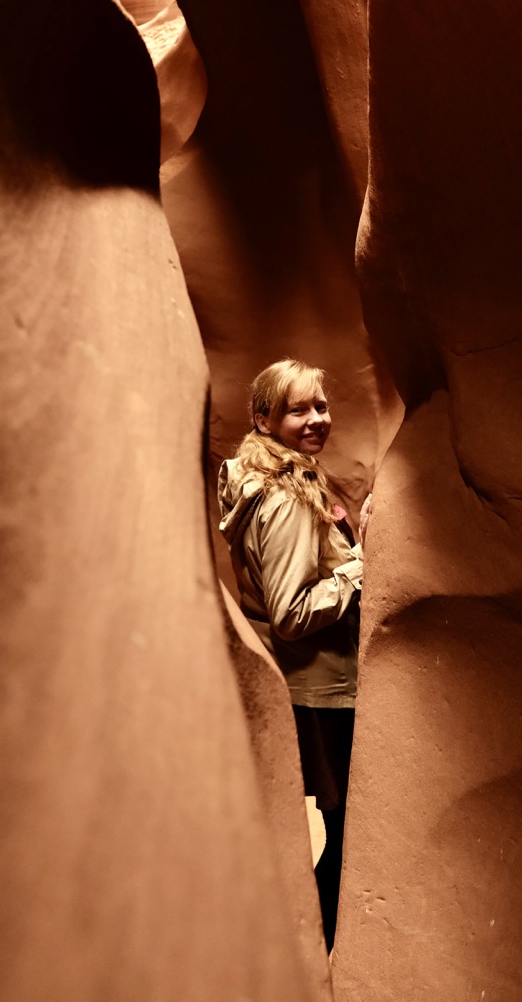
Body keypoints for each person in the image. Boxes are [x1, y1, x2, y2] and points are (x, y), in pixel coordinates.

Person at [218, 359, 366, 951]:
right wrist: (361, 566)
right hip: (319, 692)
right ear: (264, 420)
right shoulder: (285, 498)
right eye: (297, 410)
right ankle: (312, 963)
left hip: (308, 687)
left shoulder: (278, 482)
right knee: (338, 839)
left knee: (322, 834)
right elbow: (291, 612)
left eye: (320, 406)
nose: (315, 420)